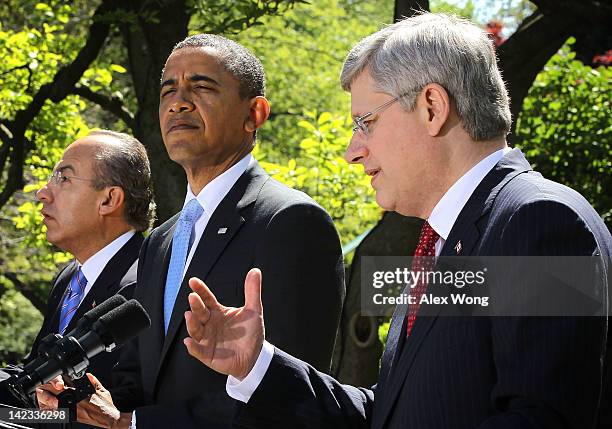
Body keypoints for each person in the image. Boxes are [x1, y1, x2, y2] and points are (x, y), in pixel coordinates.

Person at [181, 13, 612, 429]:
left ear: (431, 107)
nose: (352, 150)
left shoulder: (541, 222)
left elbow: (540, 417)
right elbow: (392, 412)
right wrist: (258, 366)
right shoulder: (449, 240)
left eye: (365, 123)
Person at [37, 34, 345, 428]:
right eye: (168, 89)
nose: (178, 102)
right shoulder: (160, 243)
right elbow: (136, 376)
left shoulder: (291, 221)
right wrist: (79, 400)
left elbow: (290, 394)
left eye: (201, 86)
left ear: (254, 114)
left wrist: (133, 423)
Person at [0, 130, 154, 427]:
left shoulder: (143, 285)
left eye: (64, 179)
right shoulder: (69, 277)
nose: (42, 193)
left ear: (109, 199)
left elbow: (93, 414)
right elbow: (34, 382)